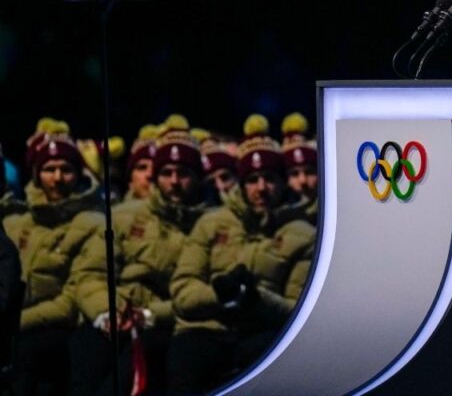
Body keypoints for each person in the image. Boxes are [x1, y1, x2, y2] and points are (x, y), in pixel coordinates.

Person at [167, 115, 315, 395]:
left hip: (261, 331)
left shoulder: (302, 234)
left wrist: (255, 298)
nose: (261, 188)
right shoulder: (211, 222)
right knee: (185, 361)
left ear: (282, 183)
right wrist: (220, 293)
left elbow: (298, 311)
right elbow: (183, 292)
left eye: (269, 179)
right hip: (204, 328)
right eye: (252, 179)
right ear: (242, 184)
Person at [70, 120, 207, 396]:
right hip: (112, 317)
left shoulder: (208, 225)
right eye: (167, 173)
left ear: (198, 178)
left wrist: (149, 315)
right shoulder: (123, 216)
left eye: (183, 173)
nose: (175, 182)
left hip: (163, 324)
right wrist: (106, 311)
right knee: (84, 360)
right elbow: (89, 274)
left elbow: (200, 293)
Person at [4, 124, 104, 395]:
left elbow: (70, 300)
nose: (57, 177)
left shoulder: (92, 223)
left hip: (56, 329)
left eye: (66, 169)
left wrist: (15, 323)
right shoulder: (15, 222)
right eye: (49, 169)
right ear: (36, 174)